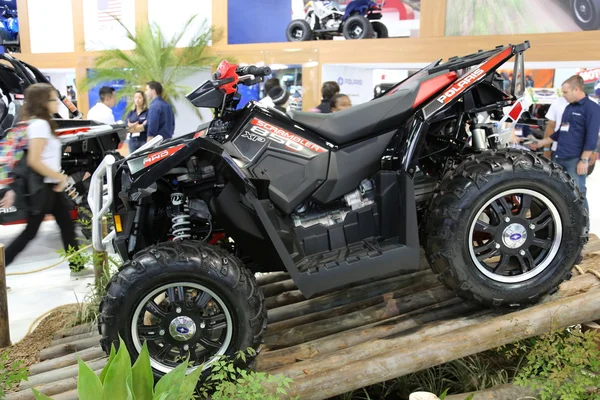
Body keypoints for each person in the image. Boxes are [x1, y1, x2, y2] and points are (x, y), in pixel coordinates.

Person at [4, 83, 78, 267]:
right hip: (42, 188)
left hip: (49, 186)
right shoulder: (40, 125)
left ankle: (77, 265)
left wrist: (57, 178)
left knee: (66, 225)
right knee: (30, 232)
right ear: (42, 102)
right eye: (53, 99)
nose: (57, 103)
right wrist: (60, 177)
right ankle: (0, 268)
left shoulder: (40, 124)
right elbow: (35, 161)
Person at [530, 75, 600, 215]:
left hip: (575, 160)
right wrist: (541, 143)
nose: (564, 95)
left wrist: (584, 159)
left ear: (576, 89)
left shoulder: (592, 108)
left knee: (578, 193)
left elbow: (592, 136)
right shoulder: (568, 107)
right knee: (559, 193)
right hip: (559, 156)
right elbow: (560, 132)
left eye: (566, 92)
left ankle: (583, 228)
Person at [543, 93, 569, 158]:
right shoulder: (558, 102)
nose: (563, 94)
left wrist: (593, 151)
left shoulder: (591, 103)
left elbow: (593, 131)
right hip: (557, 150)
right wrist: (546, 149)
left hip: (580, 152)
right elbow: (550, 127)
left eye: (565, 91)